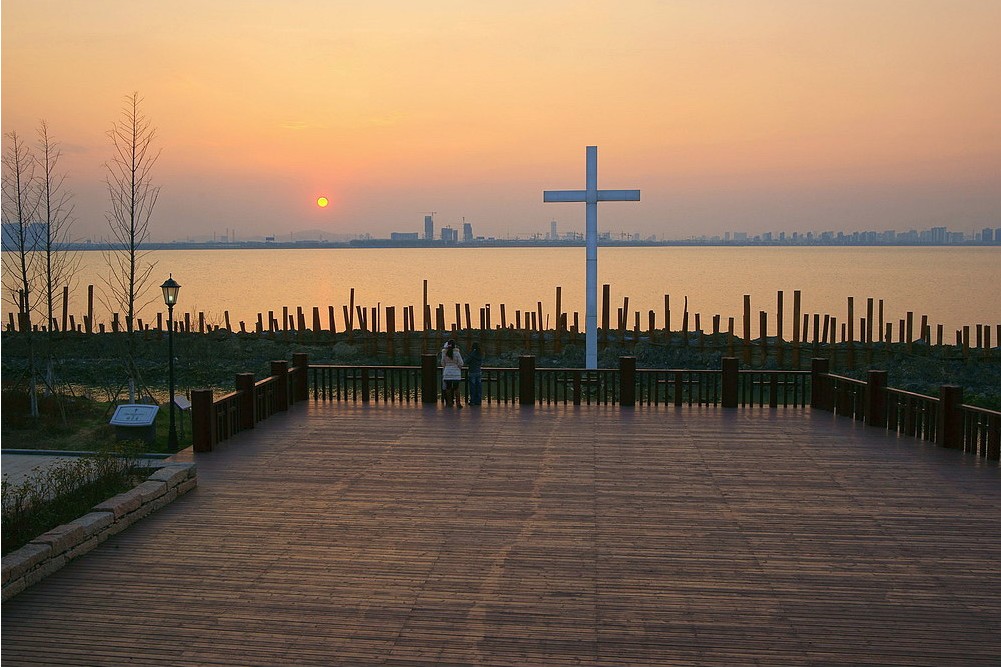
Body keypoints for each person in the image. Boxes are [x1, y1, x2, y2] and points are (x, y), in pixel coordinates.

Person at [440, 339, 463, 408]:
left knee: (448, 388)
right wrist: (458, 367)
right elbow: (461, 363)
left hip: (447, 373)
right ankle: (458, 403)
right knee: (456, 388)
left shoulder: (444, 353)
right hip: (456, 373)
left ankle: (449, 403)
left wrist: (446, 367)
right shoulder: (457, 353)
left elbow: (442, 363)